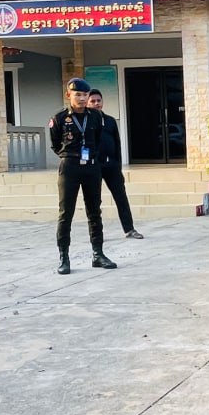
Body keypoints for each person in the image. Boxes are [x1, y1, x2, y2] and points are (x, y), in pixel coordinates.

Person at [48, 78, 116, 275]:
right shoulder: (59, 118)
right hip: (70, 167)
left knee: (94, 211)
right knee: (66, 213)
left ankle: (98, 254)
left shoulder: (95, 117)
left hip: (91, 168)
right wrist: (70, 156)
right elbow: (55, 144)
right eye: (77, 94)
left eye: (85, 95)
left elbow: (97, 139)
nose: (82, 98)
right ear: (68, 95)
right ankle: (64, 257)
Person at [86, 89, 142, 240]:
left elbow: (117, 143)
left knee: (121, 197)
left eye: (98, 101)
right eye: (93, 101)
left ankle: (129, 229)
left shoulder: (110, 121)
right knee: (94, 201)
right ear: (87, 103)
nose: (96, 103)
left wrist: (118, 165)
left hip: (112, 166)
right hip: (94, 166)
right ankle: (96, 234)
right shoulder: (84, 122)